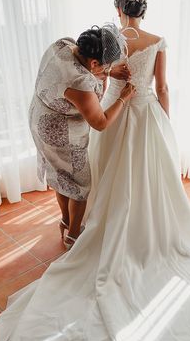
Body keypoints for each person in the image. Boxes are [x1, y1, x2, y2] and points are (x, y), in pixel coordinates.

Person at [0, 0, 190, 341]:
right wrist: (165, 124)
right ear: (143, 10)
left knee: (93, 178)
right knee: (140, 181)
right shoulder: (157, 42)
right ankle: (105, 227)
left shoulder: (99, 46)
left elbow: (99, 101)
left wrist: (111, 82)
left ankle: (76, 228)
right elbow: (162, 88)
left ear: (117, 9)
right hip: (136, 118)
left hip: (109, 117)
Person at [28, 25, 135, 249]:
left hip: (39, 119)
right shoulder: (81, 83)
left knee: (60, 176)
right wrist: (123, 98)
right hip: (61, 133)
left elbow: (81, 69)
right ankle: (74, 235)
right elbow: (100, 122)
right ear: (94, 63)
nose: (107, 70)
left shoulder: (64, 44)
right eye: (106, 66)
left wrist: (106, 72)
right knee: (80, 185)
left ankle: (65, 220)